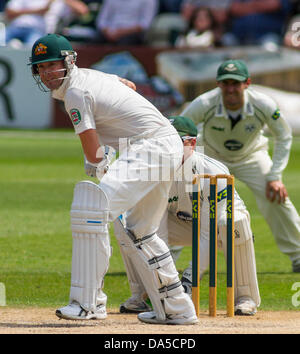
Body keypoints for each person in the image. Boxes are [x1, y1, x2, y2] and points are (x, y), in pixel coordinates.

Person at [29, 33, 198, 325]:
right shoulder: (90, 77)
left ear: (69, 62)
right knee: (142, 230)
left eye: (52, 65)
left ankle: (88, 303)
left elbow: (93, 154)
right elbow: (127, 85)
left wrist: (99, 163)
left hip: (149, 148)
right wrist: (104, 159)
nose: (46, 73)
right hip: (164, 145)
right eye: (41, 67)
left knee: (92, 211)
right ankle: (177, 308)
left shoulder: (75, 93)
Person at [115, 116, 260, 316]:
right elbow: (157, 230)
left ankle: (245, 298)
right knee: (129, 224)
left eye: (173, 142)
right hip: (181, 222)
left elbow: (207, 235)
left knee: (232, 222)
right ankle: (143, 295)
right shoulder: (154, 171)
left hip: (217, 226)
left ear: (191, 143)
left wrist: (189, 280)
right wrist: (166, 283)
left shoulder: (213, 173)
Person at [180, 59, 300, 273]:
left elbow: (283, 135)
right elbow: (180, 131)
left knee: (277, 198)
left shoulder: (263, 104)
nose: (231, 89)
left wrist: (275, 176)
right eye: (226, 83)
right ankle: (167, 258)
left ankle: (298, 256)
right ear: (218, 84)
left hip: (251, 156)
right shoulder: (204, 103)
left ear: (247, 83)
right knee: (186, 200)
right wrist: (185, 165)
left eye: (236, 83)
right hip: (212, 156)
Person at [223, 0, 291, 48]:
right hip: (239, 36)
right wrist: (259, 6)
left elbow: (274, 4)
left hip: (267, 35)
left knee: (270, 45)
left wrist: (247, 6)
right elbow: (234, 8)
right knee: (226, 39)